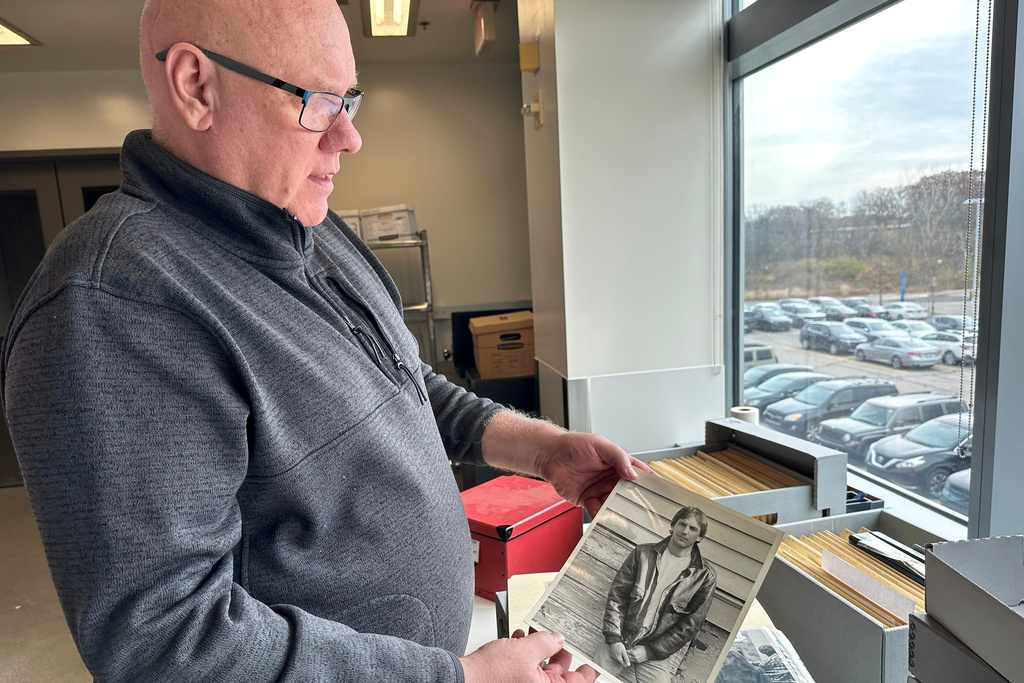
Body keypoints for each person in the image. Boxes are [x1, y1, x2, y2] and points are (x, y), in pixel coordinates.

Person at [0, 1, 654, 681]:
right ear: (196, 86)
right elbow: (167, 642)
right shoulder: (117, 300)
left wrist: (544, 451)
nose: (348, 137)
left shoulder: (308, 226)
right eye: (315, 100)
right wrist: (464, 678)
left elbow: (407, 384)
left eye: (350, 100)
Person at [603, 506, 718, 683]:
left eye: (693, 529)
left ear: (700, 537)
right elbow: (618, 596)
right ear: (673, 525)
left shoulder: (704, 576)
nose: (685, 531)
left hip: (655, 651)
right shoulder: (642, 554)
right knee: (590, 677)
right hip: (621, 639)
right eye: (682, 524)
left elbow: (690, 625)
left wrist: (650, 651)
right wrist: (614, 638)